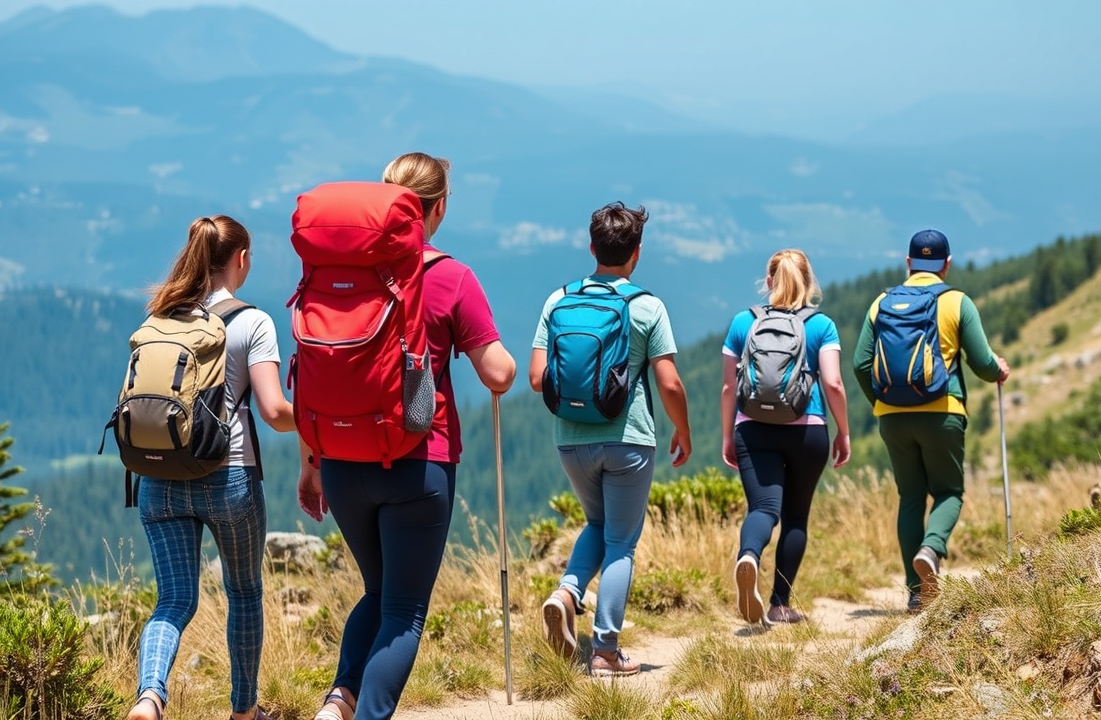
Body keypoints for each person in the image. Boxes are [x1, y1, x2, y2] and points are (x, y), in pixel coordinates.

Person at [298, 152, 516, 720]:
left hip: (342, 462)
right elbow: (497, 373)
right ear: (438, 207)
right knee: (403, 610)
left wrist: (312, 465)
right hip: (419, 462)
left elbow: (315, 372)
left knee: (377, 592)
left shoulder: (336, 276)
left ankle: (338, 701)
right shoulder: (449, 276)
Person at [127, 215, 295, 720]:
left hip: (158, 477)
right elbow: (273, 410)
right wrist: (318, 425)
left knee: (174, 600)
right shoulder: (253, 322)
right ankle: (244, 712)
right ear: (240, 259)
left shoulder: (160, 318)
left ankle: (149, 697)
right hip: (230, 480)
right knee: (243, 591)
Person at [530, 201, 692, 677]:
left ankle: (567, 593)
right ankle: (604, 652)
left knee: (598, 525)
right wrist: (682, 429)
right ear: (636, 253)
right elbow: (670, 382)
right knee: (621, 541)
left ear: (591, 247)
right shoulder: (646, 306)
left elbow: (539, 378)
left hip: (571, 440)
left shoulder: (558, 300)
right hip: (629, 440)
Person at [851, 229, 1010, 613]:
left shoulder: (881, 303)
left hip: (892, 418)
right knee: (949, 492)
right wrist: (999, 370)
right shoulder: (957, 302)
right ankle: (932, 548)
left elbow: (859, 363)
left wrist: (882, 403)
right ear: (947, 264)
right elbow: (981, 362)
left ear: (908, 263)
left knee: (910, 498)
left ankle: (916, 593)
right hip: (943, 412)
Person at [721, 249, 851, 625]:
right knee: (796, 517)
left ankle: (749, 555)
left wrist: (729, 433)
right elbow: (833, 383)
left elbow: (729, 388)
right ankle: (779, 604)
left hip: (752, 427)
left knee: (764, 509)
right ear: (809, 282)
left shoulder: (743, 323)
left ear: (768, 281)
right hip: (807, 429)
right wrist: (843, 431)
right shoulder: (821, 325)